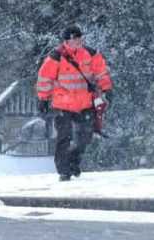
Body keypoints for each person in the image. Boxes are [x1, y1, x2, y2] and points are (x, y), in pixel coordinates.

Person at [36, 25, 113, 181]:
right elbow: (45, 78)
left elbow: (101, 72)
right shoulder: (56, 57)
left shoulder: (91, 54)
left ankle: (73, 161)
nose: (78, 42)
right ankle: (64, 170)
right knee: (64, 137)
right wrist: (43, 98)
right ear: (67, 41)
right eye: (75, 39)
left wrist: (107, 88)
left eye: (80, 39)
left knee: (86, 136)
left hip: (85, 103)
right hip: (62, 105)